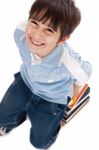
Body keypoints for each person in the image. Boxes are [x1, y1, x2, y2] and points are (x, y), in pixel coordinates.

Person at [0, 0, 92, 149]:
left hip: (52, 98)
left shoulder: (68, 62)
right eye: (35, 23)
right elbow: (27, 27)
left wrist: (75, 91)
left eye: (49, 30)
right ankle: (15, 118)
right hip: (25, 82)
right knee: (2, 118)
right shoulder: (20, 33)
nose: (36, 35)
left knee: (40, 143)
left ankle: (61, 120)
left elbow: (85, 72)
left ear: (62, 38)